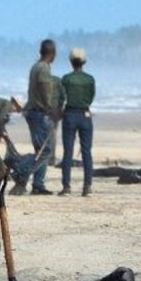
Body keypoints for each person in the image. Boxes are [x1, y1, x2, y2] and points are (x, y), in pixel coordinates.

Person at [58, 48, 96, 197]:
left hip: (69, 114)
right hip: (85, 114)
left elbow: (61, 98)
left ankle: (66, 186)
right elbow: (91, 97)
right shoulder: (90, 79)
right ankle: (87, 186)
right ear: (84, 62)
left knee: (68, 152)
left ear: (71, 62)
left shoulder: (66, 79)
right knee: (86, 152)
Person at [23, 39, 56, 195]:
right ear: (52, 53)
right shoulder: (43, 68)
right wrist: (50, 107)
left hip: (32, 111)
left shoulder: (35, 66)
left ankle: (38, 184)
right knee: (46, 149)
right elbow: (44, 88)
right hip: (39, 112)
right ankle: (22, 171)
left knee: (40, 148)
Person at [48, 73, 66, 166]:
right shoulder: (58, 80)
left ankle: (43, 158)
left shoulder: (39, 79)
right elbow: (63, 96)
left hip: (41, 109)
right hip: (54, 109)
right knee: (53, 134)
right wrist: (60, 108)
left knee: (42, 134)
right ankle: (51, 158)